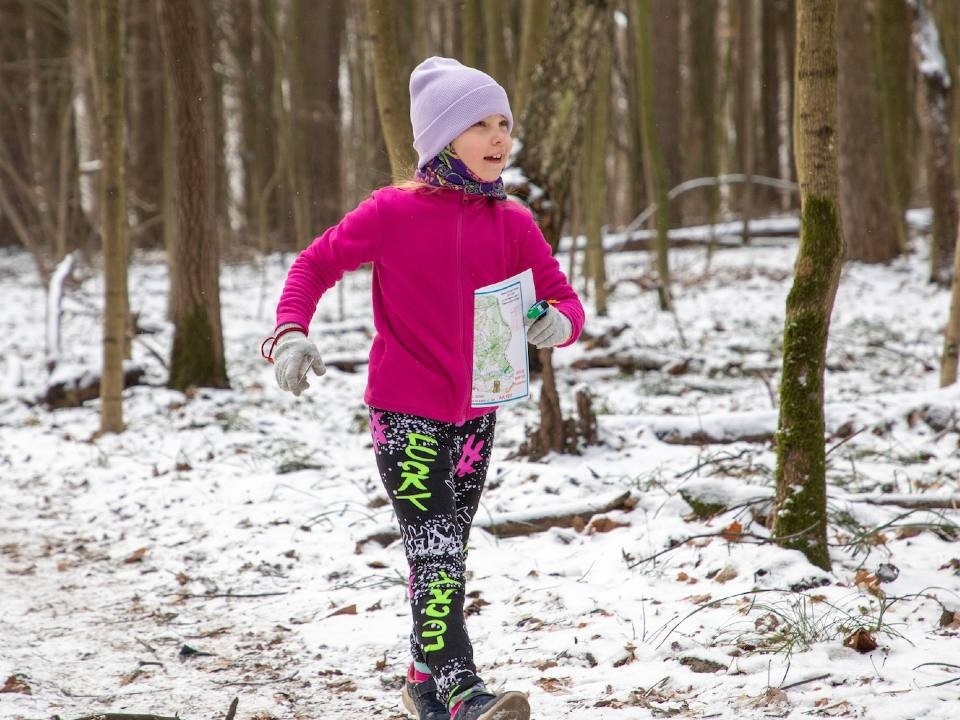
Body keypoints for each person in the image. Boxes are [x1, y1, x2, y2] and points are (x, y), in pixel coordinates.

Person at [262, 57, 584, 720]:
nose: (499, 137)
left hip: (477, 415)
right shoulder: (393, 212)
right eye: (480, 124)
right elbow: (313, 264)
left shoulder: (514, 224)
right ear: (443, 139)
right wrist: (291, 331)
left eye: (504, 123)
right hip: (404, 411)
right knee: (436, 551)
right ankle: (463, 692)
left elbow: (563, 301)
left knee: (446, 550)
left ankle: (419, 678)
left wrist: (558, 324)